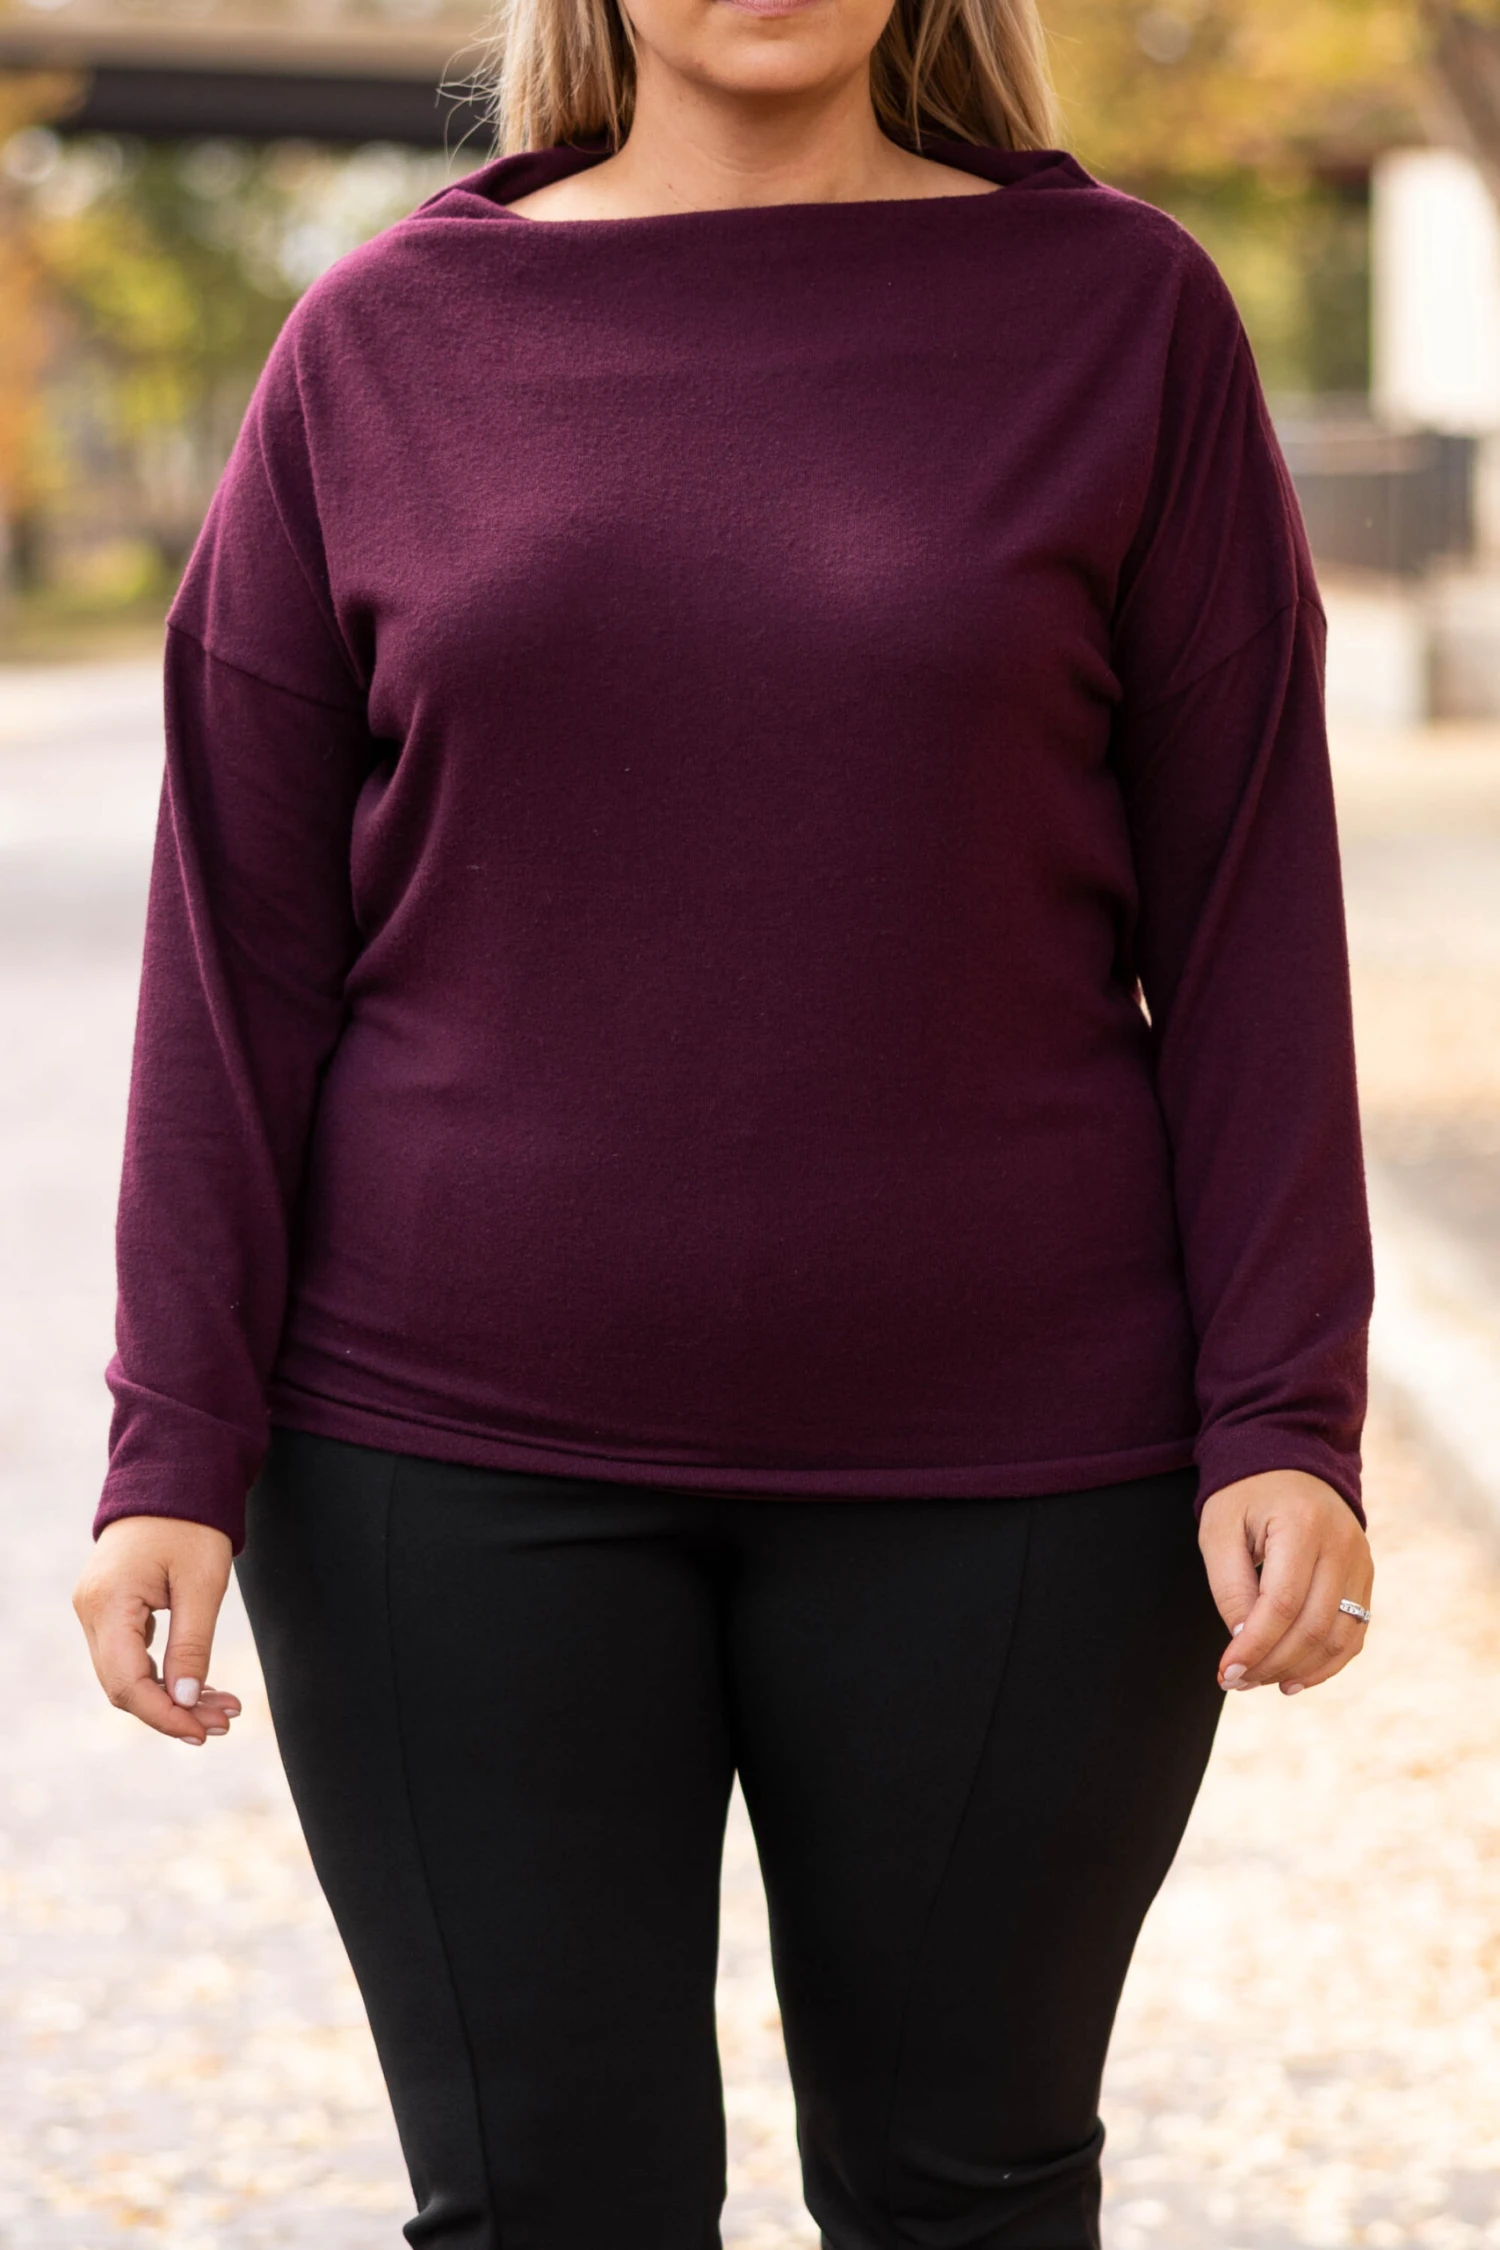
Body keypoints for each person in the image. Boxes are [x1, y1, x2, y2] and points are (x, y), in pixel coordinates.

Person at [72, 0, 1377, 2234]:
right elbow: (236, 950)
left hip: (1019, 1471)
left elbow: (1250, 909)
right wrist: (170, 1443)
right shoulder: (379, 345)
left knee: (969, 2195)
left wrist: (1288, 1412)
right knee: (543, 2206)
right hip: (439, 1470)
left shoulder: (1121, 317)